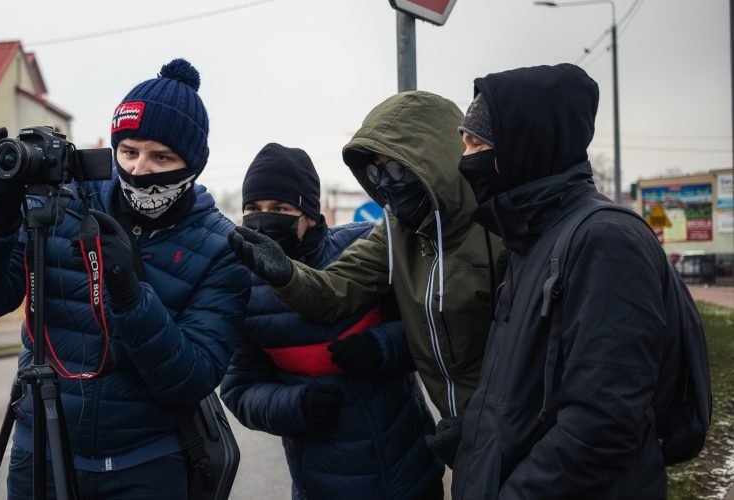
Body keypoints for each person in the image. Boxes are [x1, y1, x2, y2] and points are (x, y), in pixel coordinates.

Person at [0, 58, 248, 499]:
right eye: (129, 151)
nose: (140, 169)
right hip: (42, 454)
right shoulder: (61, 208)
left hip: (144, 463)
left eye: (161, 156)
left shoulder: (220, 248)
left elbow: (190, 379)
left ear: (194, 164)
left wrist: (129, 293)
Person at [227, 91, 506, 466]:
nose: (386, 182)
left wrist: (380, 347)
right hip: (328, 474)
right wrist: (295, 406)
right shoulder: (396, 230)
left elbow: (519, 349)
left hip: (432, 454)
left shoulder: (502, 224)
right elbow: (331, 292)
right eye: (375, 172)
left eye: (395, 168)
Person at [451, 63, 684, 498]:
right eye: (465, 143)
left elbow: (603, 422)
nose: (466, 160)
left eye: (478, 142)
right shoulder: (532, 239)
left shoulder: (606, 241)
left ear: (527, 144)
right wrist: (475, 438)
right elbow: (528, 391)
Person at [219, 143, 443, 499]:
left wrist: (380, 346)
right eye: (253, 209)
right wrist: (296, 406)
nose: (263, 219)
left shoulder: (364, 250)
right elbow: (240, 389)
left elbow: (428, 330)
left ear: (310, 212)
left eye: (279, 208)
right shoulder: (241, 288)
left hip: (409, 472)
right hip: (323, 485)